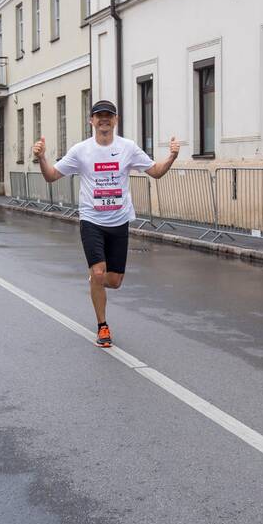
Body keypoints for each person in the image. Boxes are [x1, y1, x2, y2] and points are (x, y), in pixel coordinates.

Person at [34, 100, 179, 347]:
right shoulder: (81, 150)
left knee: (114, 281)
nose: (104, 120)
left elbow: (155, 171)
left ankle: (96, 281)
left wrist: (172, 156)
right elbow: (51, 176)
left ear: (115, 120)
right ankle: (103, 327)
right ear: (91, 121)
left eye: (108, 116)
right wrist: (41, 157)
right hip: (92, 220)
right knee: (99, 272)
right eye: (98, 116)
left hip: (119, 221)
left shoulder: (128, 148)